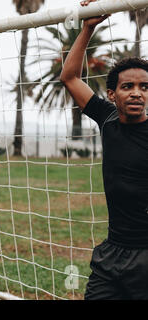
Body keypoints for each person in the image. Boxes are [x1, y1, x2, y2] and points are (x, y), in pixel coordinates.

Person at [60, 0, 148, 299]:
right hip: (111, 253)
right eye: (128, 86)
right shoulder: (108, 118)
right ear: (112, 94)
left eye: (145, 87)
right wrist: (87, 27)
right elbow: (69, 77)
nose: (137, 92)